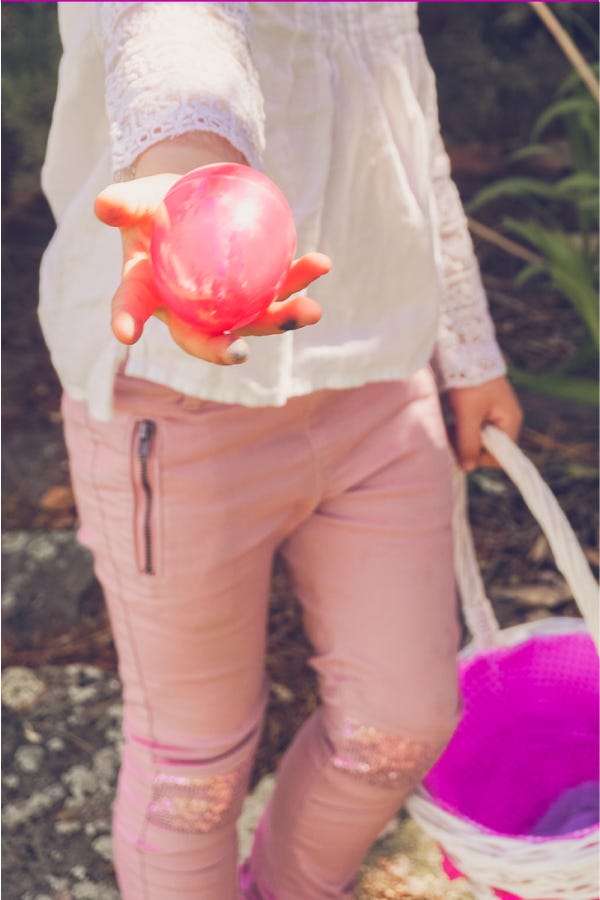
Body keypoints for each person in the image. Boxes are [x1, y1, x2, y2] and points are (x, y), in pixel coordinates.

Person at [39, 3, 522, 898]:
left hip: (380, 382)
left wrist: (470, 348)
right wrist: (189, 172)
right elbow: (173, 36)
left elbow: (407, 124)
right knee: (194, 771)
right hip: (180, 414)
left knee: (402, 724)